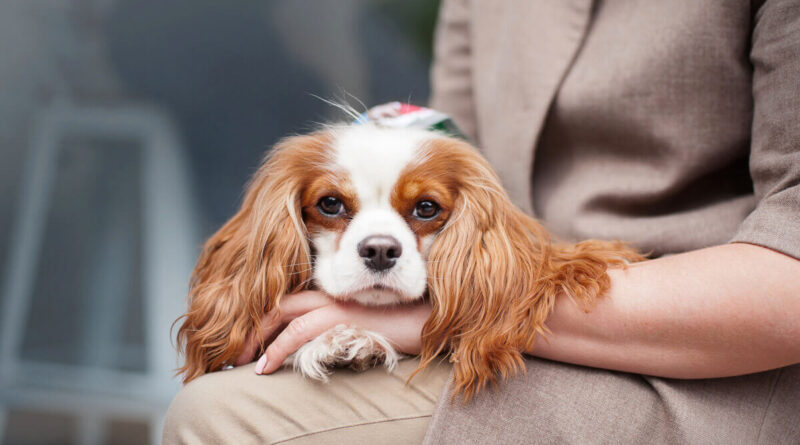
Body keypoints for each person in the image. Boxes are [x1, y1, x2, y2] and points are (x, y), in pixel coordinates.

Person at [163, 0, 800, 443]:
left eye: (423, 211)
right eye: (333, 206)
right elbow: (458, 149)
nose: (380, 239)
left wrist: (432, 319)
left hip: (712, 366)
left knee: (222, 418)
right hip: (490, 314)